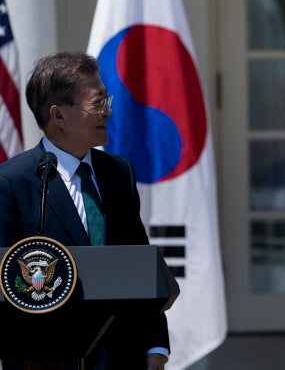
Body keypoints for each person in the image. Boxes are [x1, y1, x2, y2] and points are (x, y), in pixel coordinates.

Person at [0, 52, 169, 369]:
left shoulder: (119, 173)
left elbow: (139, 266)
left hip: (123, 357)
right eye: (98, 102)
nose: (108, 111)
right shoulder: (11, 183)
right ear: (59, 116)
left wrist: (156, 348)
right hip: (46, 359)